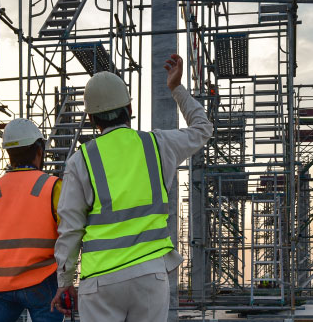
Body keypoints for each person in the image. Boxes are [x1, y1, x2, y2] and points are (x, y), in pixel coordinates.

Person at [50, 54, 213, 321]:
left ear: (91, 118)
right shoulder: (158, 144)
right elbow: (202, 128)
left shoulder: (81, 160)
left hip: (100, 281)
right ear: (129, 107)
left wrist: (64, 282)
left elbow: (70, 227)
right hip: (149, 275)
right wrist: (176, 89)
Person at [0, 119, 63, 322]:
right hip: (43, 281)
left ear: (9, 153)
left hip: (2, 286)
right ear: (39, 150)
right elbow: (69, 235)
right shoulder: (52, 186)